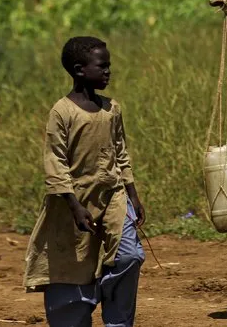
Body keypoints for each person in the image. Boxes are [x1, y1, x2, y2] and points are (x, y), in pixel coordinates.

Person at [23, 36, 146, 326]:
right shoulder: (62, 112)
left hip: (114, 195)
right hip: (73, 201)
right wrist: (73, 205)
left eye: (109, 66)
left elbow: (121, 152)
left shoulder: (111, 108)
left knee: (130, 256)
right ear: (79, 70)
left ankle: (115, 315)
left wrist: (132, 193)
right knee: (71, 269)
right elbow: (55, 162)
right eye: (102, 66)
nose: (108, 71)